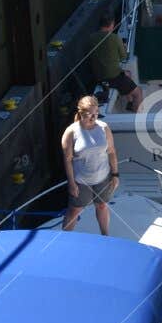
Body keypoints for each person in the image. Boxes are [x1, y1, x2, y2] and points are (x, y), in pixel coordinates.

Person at [61, 95, 118, 236]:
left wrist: (115, 175)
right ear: (80, 114)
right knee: (75, 209)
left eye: (96, 114)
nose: (93, 118)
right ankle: (65, 238)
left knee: (102, 205)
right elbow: (67, 160)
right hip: (81, 180)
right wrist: (72, 183)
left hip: (103, 177)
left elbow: (111, 152)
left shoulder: (104, 128)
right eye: (89, 115)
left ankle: (105, 235)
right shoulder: (71, 132)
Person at [85, 11, 142, 111]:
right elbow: (124, 57)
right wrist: (123, 47)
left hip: (97, 77)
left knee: (127, 74)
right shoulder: (115, 38)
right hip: (112, 78)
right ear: (112, 24)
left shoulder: (91, 38)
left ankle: (129, 102)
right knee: (138, 93)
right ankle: (138, 118)